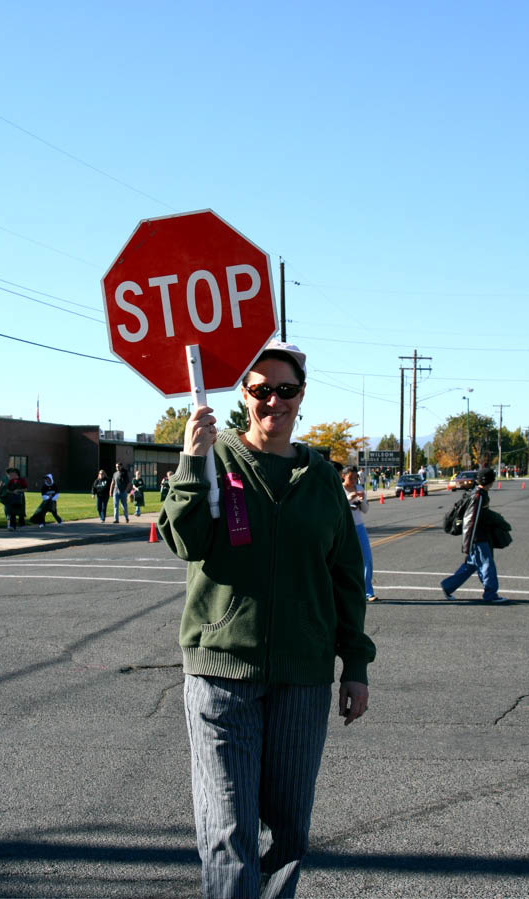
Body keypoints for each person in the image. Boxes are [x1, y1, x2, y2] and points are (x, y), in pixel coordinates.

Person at [158, 338, 376, 899]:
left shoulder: (322, 477)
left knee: (287, 832)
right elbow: (184, 541)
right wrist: (189, 460)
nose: (272, 402)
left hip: (302, 680)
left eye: (285, 390)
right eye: (261, 390)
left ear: (301, 396)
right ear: (244, 394)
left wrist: (355, 663)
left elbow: (346, 577)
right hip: (220, 677)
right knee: (228, 831)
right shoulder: (215, 456)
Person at [440, 468, 509, 604]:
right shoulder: (479, 496)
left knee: (470, 566)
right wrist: (468, 543)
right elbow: (471, 520)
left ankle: (448, 586)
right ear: (489, 481)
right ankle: (491, 594)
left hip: (476, 537)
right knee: (487, 565)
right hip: (477, 537)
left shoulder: (478, 493)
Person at [342, 465, 376, 601]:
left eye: (356, 477)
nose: (354, 480)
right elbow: (337, 506)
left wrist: (362, 501)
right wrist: (349, 498)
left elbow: (365, 510)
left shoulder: (360, 488)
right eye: (351, 477)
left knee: (367, 559)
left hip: (359, 527)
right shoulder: (339, 489)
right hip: (344, 528)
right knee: (344, 560)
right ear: (343, 476)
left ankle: (368, 592)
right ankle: (343, 591)